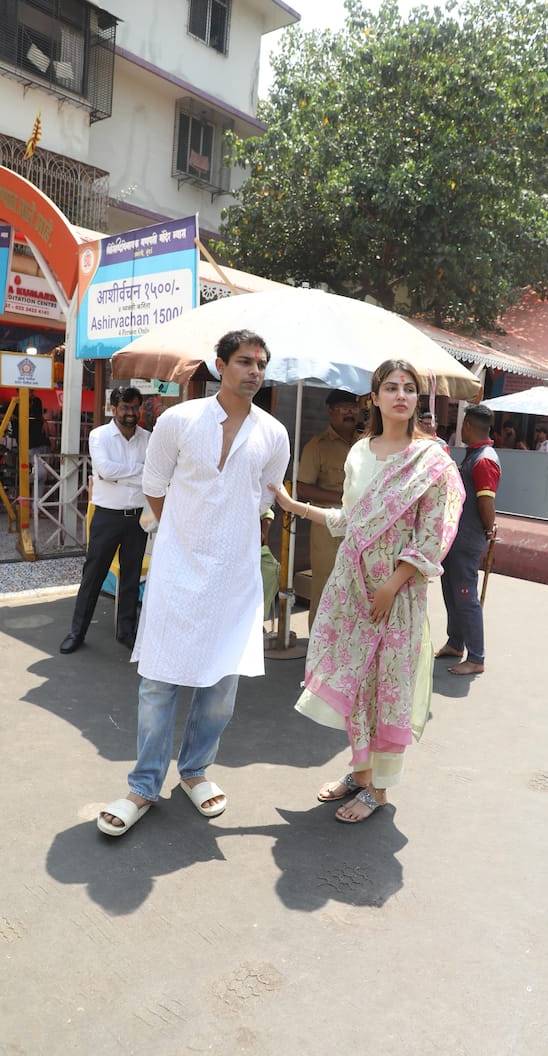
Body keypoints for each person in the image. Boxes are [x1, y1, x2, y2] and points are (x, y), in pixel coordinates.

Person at [97, 330, 290, 837]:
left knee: (221, 685)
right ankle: (143, 785)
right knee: (159, 682)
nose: (254, 371)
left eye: (262, 364)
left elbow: (263, 502)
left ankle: (195, 770)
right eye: (244, 361)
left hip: (236, 576)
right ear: (219, 365)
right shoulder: (179, 421)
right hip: (177, 570)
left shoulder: (274, 433)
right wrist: (185, 537)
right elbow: (154, 488)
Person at [271, 359, 464, 824]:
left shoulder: (432, 461)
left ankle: (378, 789)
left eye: (410, 389)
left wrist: (392, 586)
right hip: (350, 590)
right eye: (391, 388)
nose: (401, 396)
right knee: (355, 687)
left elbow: (435, 535)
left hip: (396, 597)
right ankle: (359, 772)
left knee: (387, 688)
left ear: (418, 400)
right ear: (373, 398)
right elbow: (351, 522)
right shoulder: (359, 452)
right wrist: (295, 506)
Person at [59, 387, 149, 654]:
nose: (131, 413)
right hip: (107, 517)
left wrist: (123, 476)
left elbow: (156, 473)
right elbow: (106, 470)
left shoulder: (149, 438)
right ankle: (77, 632)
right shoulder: (99, 435)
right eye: (125, 407)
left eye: (135, 407)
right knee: (93, 576)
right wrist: (139, 473)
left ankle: (126, 632)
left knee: (131, 578)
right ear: (113, 409)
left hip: (138, 518)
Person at [436, 403, 501, 677]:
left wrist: (489, 529)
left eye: (463, 424)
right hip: (456, 537)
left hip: (468, 538)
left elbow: (486, 502)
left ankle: (476, 656)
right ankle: (455, 642)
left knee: (465, 596)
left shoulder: (484, 459)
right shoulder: (474, 455)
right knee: (451, 591)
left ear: (469, 426)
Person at [297, 389, 360, 629]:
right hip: (327, 529)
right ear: (331, 411)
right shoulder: (318, 446)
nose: (350, 413)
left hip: (358, 525)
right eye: (344, 408)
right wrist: (340, 496)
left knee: (354, 586)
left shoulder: (366, 444)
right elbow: (302, 488)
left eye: (353, 408)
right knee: (325, 585)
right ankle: (318, 645)